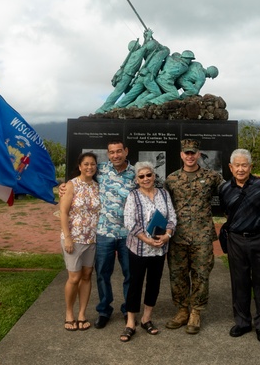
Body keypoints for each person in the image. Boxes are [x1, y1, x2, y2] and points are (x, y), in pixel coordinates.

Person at [219, 148, 260, 342]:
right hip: (236, 240)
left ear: (250, 167)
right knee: (239, 282)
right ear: (230, 167)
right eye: (237, 165)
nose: (240, 169)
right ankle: (243, 322)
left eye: (244, 165)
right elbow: (228, 214)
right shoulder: (225, 189)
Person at [164, 138, 223, 334]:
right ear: (181, 155)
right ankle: (182, 311)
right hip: (177, 236)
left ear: (198, 154)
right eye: (186, 153)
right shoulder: (171, 179)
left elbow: (232, 190)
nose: (190, 156)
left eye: (193, 153)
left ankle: (196, 312)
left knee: (201, 275)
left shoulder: (212, 176)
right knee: (177, 275)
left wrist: (254, 180)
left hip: (202, 235)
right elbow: (161, 202)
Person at [120, 161, 176, 342]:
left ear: (154, 176)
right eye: (141, 176)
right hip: (139, 248)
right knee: (135, 283)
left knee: (154, 283)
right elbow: (129, 222)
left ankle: (146, 318)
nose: (146, 179)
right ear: (137, 179)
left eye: (148, 175)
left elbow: (172, 218)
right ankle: (130, 322)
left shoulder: (164, 194)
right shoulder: (133, 196)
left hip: (159, 249)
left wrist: (167, 235)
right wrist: (147, 239)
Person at [94, 139, 136, 328]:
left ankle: (129, 310)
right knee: (103, 273)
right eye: (112, 152)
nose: (116, 155)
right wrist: (64, 188)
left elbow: (153, 190)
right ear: (108, 154)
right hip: (105, 232)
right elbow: (81, 180)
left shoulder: (136, 173)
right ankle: (104, 310)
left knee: (130, 274)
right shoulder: (100, 169)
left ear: (126, 151)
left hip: (129, 234)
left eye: (119, 151)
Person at [58, 152, 101, 331]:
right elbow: (63, 212)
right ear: (80, 166)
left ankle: (82, 313)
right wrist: (67, 237)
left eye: (92, 164)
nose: (89, 167)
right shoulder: (71, 185)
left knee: (86, 276)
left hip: (92, 239)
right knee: (74, 277)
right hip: (73, 239)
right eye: (86, 164)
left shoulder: (97, 186)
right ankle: (69, 313)